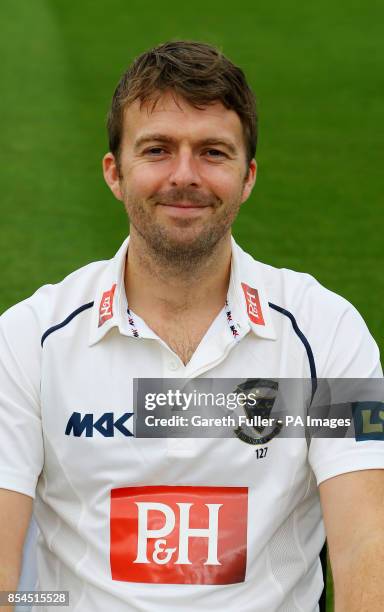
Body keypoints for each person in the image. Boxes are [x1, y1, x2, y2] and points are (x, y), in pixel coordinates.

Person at [0, 40, 383, 612]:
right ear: (115, 172)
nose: (185, 176)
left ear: (248, 176)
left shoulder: (327, 333)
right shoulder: (29, 339)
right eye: (157, 149)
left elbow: (364, 548)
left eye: (213, 153)